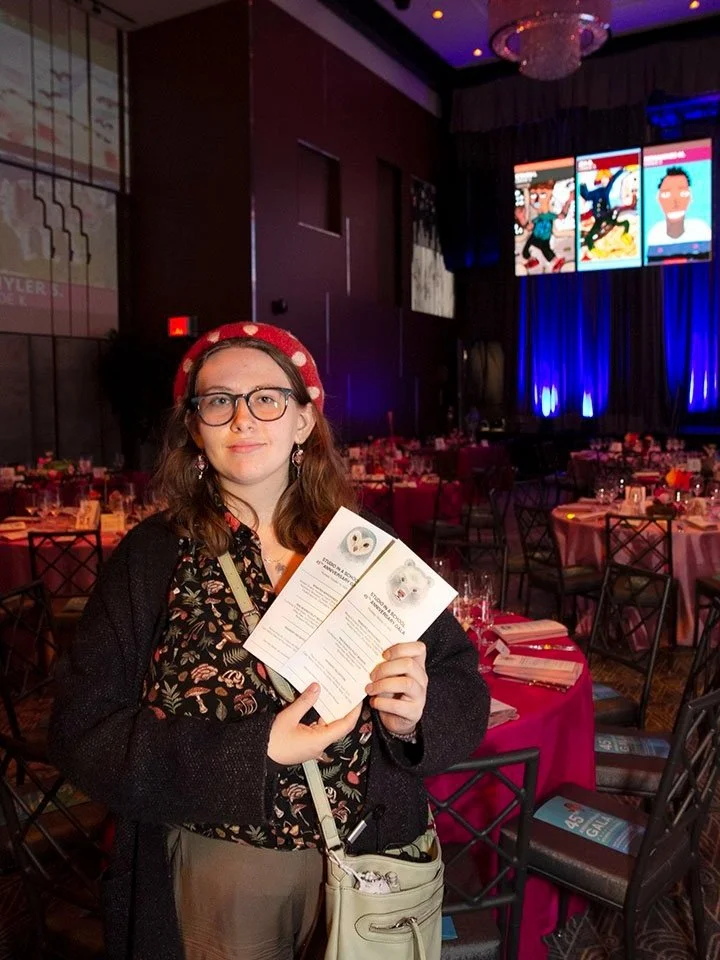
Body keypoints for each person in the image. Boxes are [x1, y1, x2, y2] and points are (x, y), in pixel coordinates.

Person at [49, 321, 490, 960]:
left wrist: (416, 716)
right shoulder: (151, 559)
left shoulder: (360, 543)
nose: (242, 418)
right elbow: (81, 729)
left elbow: (460, 680)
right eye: (218, 400)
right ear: (194, 427)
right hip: (224, 872)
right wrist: (253, 750)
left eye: (267, 398)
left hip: (370, 858)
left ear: (303, 422)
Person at [647, 166, 712, 247]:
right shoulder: (655, 235)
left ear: (690, 198)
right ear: (658, 199)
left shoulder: (701, 231)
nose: (675, 202)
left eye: (683, 193)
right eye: (666, 194)